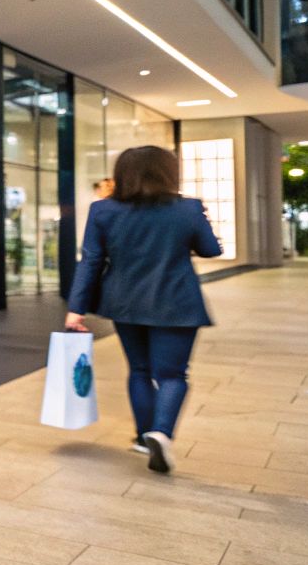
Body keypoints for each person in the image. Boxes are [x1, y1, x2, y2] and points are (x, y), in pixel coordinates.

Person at [65, 145, 221, 474]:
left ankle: (141, 436)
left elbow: (91, 261)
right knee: (173, 375)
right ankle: (161, 433)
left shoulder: (103, 211)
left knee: (139, 370)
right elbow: (210, 249)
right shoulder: (188, 209)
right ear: (168, 173)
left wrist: (76, 309)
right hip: (176, 301)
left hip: (124, 302)